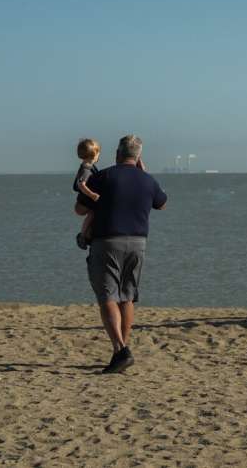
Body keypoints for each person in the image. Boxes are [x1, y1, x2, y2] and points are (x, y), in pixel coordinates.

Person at [75, 135, 167, 374]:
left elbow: (80, 209)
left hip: (107, 240)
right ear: (138, 157)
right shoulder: (147, 180)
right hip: (138, 242)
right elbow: (162, 203)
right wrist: (144, 174)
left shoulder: (103, 176)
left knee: (107, 295)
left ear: (117, 153)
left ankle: (120, 349)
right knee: (127, 296)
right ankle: (121, 350)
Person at [73, 138, 102, 250]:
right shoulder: (86, 169)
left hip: (83, 202)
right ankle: (83, 235)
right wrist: (92, 195)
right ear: (93, 154)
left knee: (92, 215)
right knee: (93, 214)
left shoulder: (87, 166)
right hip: (83, 204)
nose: (99, 155)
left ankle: (86, 234)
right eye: (98, 153)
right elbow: (81, 185)